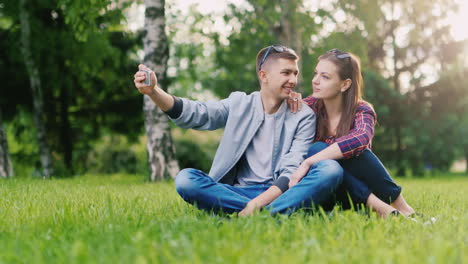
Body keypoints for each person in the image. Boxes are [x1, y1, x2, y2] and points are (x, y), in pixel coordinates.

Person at [133, 46, 343, 216]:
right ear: (264, 75)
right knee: (186, 179)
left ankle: (257, 211)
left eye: (295, 73)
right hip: (237, 191)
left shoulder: (303, 115)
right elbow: (198, 113)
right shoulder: (239, 103)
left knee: (330, 170)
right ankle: (275, 213)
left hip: (281, 190)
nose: (293, 80)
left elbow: (292, 167)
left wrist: (260, 202)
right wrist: (154, 92)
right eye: (286, 73)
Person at [288, 49, 416, 218]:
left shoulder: (361, 109)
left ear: (345, 84)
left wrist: (308, 162)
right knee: (317, 149)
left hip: (356, 191)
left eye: (325, 77)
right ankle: (383, 209)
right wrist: (287, 100)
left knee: (351, 151)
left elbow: (361, 138)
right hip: (328, 192)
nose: (315, 81)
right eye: (316, 74)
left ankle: (402, 207)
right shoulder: (308, 107)